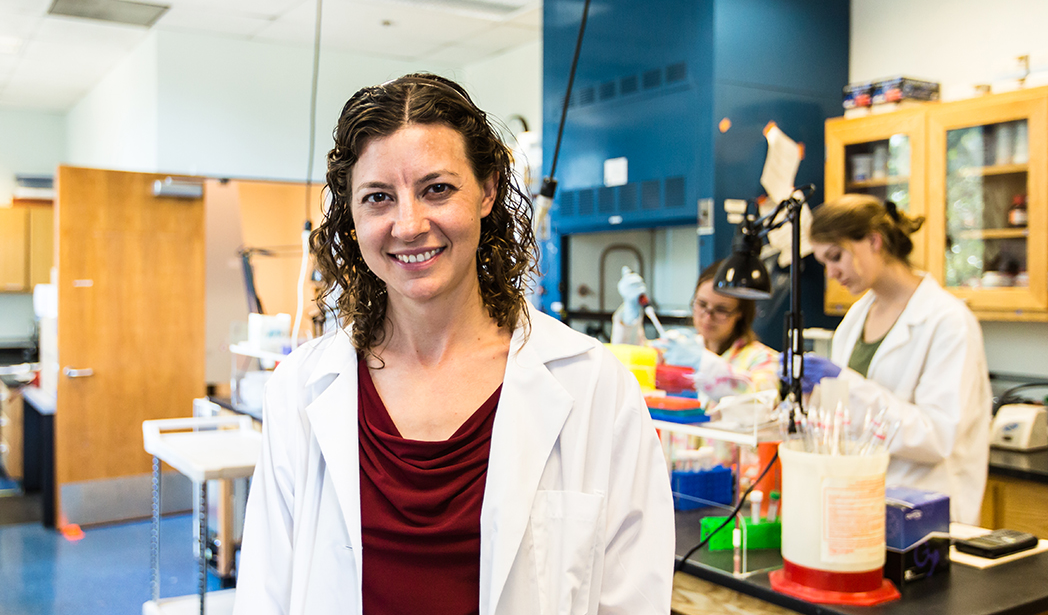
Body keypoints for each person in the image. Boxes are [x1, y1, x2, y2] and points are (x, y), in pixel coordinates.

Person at [233, 74, 674, 615]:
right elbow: (265, 594)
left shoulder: (592, 387)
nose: (409, 224)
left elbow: (632, 598)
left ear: (488, 190)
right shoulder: (300, 391)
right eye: (378, 198)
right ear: (351, 215)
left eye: (436, 189)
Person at [804, 195, 991, 524]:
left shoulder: (948, 321)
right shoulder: (854, 319)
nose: (831, 273)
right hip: (861, 506)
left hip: (925, 515)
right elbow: (847, 421)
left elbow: (937, 437)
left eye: (836, 256)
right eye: (824, 263)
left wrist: (846, 386)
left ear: (874, 241)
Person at [612, 262, 779, 402]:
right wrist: (630, 317)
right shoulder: (678, 344)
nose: (707, 317)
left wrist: (704, 363)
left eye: (721, 309)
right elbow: (632, 365)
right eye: (702, 304)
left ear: (740, 313)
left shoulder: (762, 358)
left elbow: (762, 399)